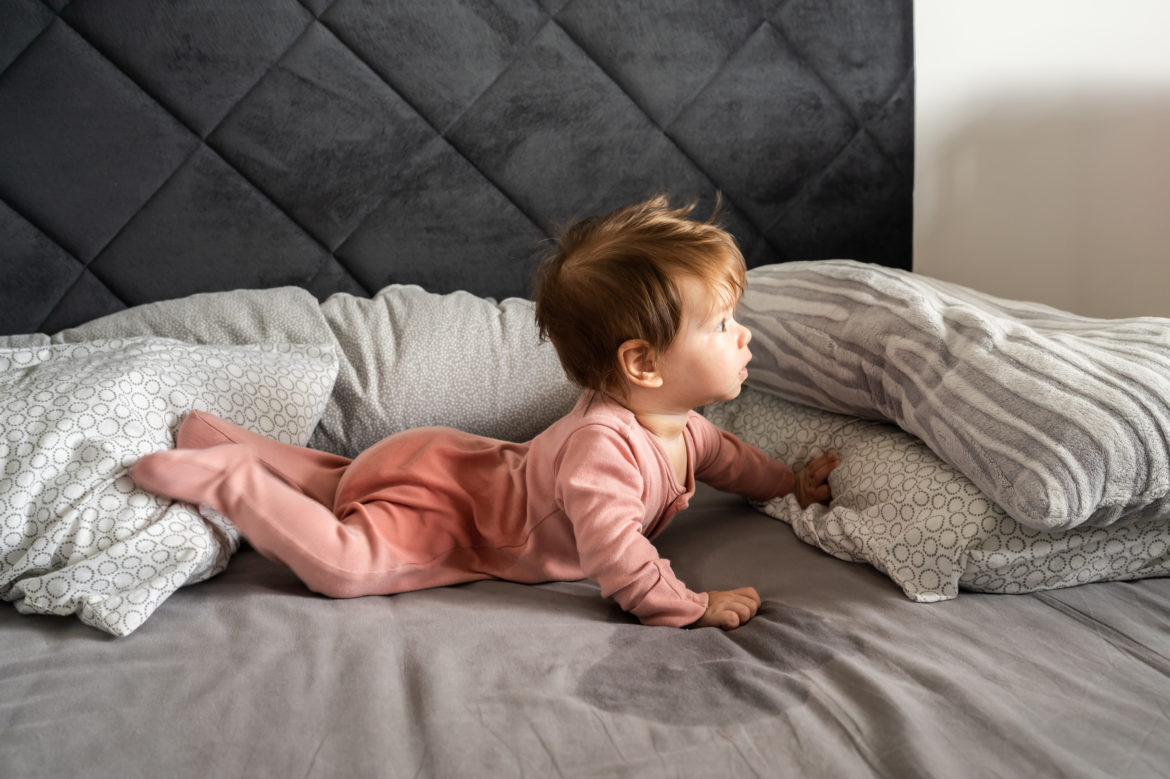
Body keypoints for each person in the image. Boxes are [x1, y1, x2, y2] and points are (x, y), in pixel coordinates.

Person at [131, 195, 839, 630]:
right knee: (347, 563)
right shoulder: (604, 450)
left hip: (446, 465)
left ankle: (214, 435)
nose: (742, 335)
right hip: (450, 514)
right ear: (644, 364)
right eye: (721, 326)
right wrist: (689, 605)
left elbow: (731, 462)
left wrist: (789, 483)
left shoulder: (681, 426)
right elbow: (618, 560)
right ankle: (231, 479)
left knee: (340, 484)